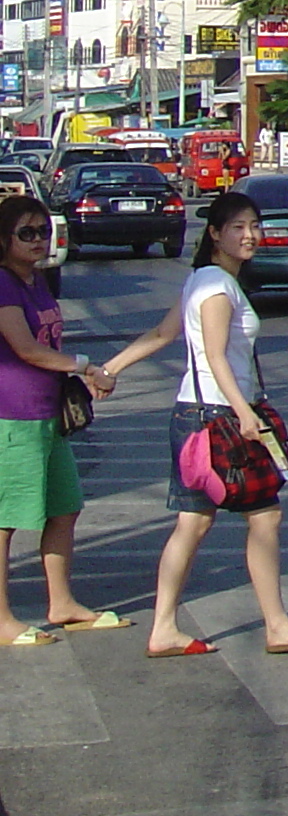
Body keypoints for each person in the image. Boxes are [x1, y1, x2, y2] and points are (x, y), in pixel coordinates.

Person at [96, 193, 288, 657]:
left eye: (254, 226)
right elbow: (213, 353)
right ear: (214, 234)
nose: (249, 235)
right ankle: (275, 625)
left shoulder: (206, 280)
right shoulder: (215, 286)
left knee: (197, 523)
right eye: (238, 227)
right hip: (219, 419)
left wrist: (110, 368)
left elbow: (165, 334)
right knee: (262, 516)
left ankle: (168, 627)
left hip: (200, 415)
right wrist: (244, 413)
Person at [0, 195, 119, 643]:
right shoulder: (4, 284)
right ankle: (2, 618)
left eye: (42, 232)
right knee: (5, 519)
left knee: (65, 507)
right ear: (3, 240)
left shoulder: (37, 282)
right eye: (26, 233)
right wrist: (84, 365)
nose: (37, 241)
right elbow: (26, 348)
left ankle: (62, 602)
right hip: (12, 417)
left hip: (48, 415)